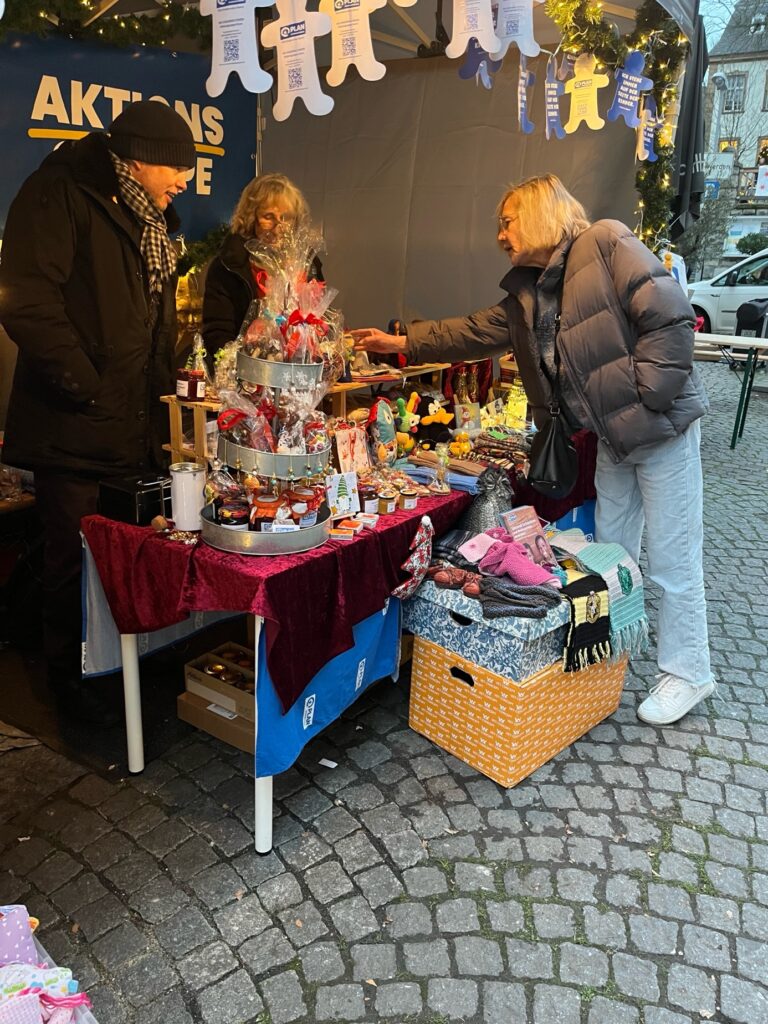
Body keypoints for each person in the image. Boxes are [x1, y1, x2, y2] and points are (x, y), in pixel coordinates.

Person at [353, 173, 713, 727]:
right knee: (612, 549)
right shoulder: (529, 290)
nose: (500, 234)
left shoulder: (606, 242)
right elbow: (472, 331)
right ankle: (610, 644)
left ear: (543, 211)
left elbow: (669, 316)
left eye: (507, 220)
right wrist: (402, 343)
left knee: (672, 558)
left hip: (659, 430)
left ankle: (689, 673)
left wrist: (649, 398)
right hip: (612, 439)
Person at [0, 100, 196, 724]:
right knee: (68, 556)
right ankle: (60, 685)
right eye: (178, 170)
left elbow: (155, 313)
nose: (185, 183)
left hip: (132, 423)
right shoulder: (61, 190)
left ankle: (114, 668)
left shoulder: (154, 216)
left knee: (122, 553)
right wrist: (84, 383)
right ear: (142, 161)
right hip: (72, 421)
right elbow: (25, 298)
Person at [202, 172, 323, 363]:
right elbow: (217, 333)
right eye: (268, 216)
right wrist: (247, 357)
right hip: (247, 372)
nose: (278, 226)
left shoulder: (307, 264)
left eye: (286, 217)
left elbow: (322, 318)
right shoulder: (229, 265)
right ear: (251, 218)